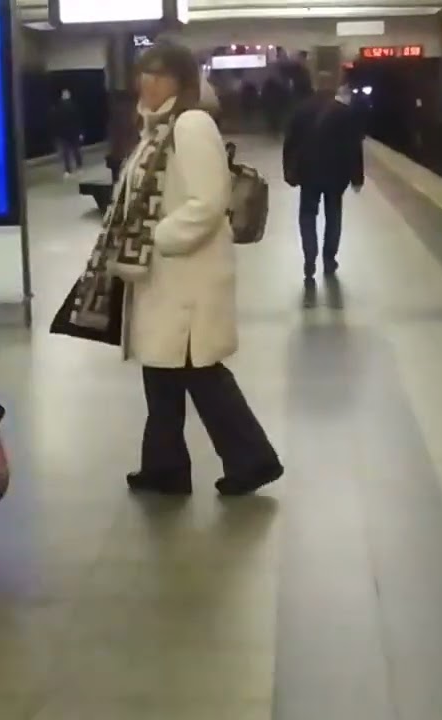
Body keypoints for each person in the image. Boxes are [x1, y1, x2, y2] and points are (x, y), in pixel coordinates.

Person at [115, 41, 283, 497]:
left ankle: (253, 459)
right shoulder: (156, 128)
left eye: (157, 74)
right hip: (165, 279)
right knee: (164, 373)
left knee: (199, 373)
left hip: (186, 277)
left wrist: (159, 237)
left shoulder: (190, 125)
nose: (145, 82)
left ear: (181, 81)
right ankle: (165, 467)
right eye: (142, 73)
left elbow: (209, 201)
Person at [282, 70, 365, 284]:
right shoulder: (344, 112)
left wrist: (288, 171)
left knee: (307, 215)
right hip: (337, 174)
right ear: (335, 86)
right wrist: (357, 177)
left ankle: (310, 256)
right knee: (333, 215)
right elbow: (354, 146)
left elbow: (290, 143)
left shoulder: (301, 110)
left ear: (315, 85)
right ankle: (329, 260)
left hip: (308, 173)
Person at [49, 89, 84, 178]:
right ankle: (79, 168)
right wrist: (80, 133)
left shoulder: (57, 107)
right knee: (76, 151)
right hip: (73, 133)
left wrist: (56, 135)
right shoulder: (73, 106)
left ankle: (68, 171)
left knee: (66, 154)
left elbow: (55, 122)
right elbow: (78, 120)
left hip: (63, 134)